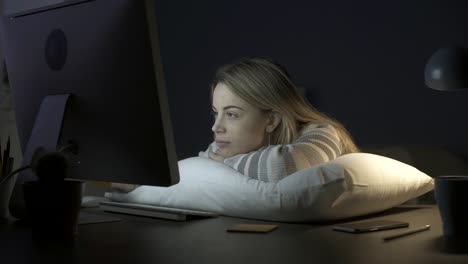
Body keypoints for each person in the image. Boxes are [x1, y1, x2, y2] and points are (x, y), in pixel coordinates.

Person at [199, 57, 359, 182]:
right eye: (215, 113)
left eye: (231, 114)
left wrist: (226, 163)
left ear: (271, 120)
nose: (216, 127)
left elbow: (282, 165)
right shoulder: (225, 148)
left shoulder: (323, 135)